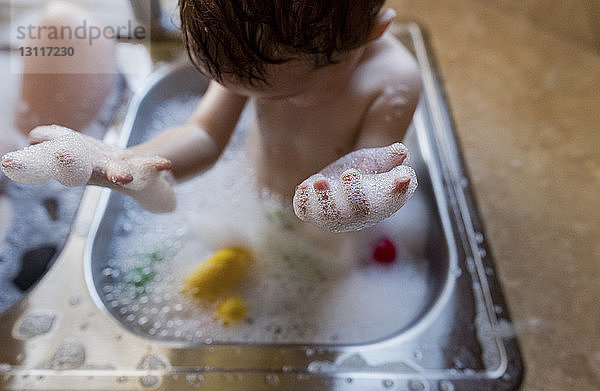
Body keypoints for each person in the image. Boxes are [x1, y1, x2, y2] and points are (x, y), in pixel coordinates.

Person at [1, 0, 422, 232]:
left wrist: (358, 202)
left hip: (328, 235)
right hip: (257, 204)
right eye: (236, 88)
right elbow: (203, 135)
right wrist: (125, 161)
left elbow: (372, 171)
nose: (251, 99)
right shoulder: (258, 52)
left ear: (373, 32)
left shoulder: (392, 83)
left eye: (286, 95)